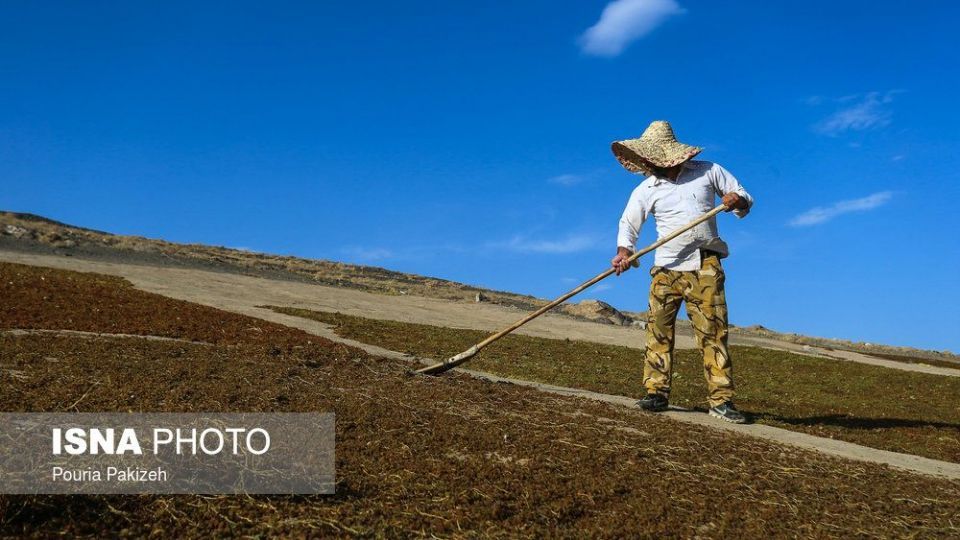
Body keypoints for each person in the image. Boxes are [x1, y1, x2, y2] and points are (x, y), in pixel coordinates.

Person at [610, 120, 753, 424]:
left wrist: (735, 200)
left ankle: (721, 401)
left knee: (713, 333)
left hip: (705, 264)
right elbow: (629, 224)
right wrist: (624, 253)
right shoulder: (646, 189)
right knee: (658, 330)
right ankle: (656, 393)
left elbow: (742, 197)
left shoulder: (708, 171)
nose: (649, 162)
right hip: (665, 267)